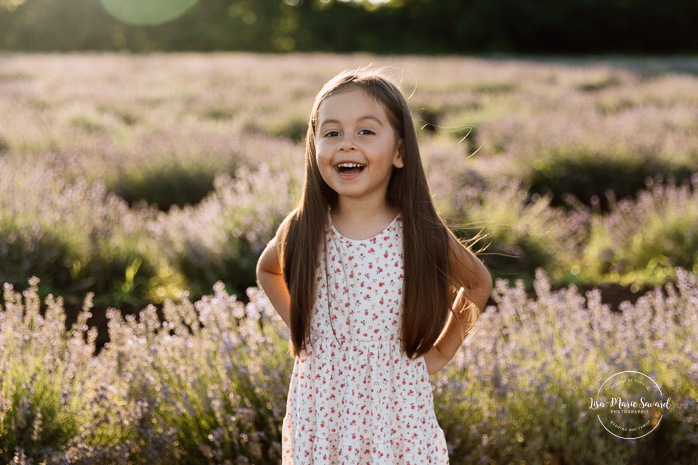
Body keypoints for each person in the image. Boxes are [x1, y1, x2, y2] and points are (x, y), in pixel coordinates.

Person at [256, 67, 492, 464]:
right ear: (315, 149)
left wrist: (440, 354)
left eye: (365, 131)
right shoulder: (303, 227)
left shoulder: (419, 229)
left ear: (400, 152)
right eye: (331, 133)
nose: (346, 144)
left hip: (396, 410)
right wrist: (305, 327)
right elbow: (268, 270)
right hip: (322, 406)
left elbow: (477, 284)